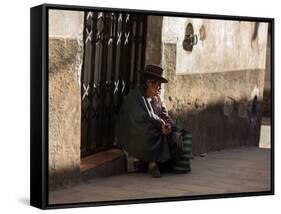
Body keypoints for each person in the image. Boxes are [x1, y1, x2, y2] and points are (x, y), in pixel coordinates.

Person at [115, 64, 183, 178]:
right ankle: (152, 164)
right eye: (158, 85)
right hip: (136, 134)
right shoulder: (135, 97)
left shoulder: (158, 99)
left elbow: (165, 115)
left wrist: (168, 125)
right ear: (148, 83)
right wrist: (159, 123)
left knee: (175, 133)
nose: (160, 88)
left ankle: (161, 162)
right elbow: (138, 119)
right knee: (148, 130)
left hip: (156, 130)